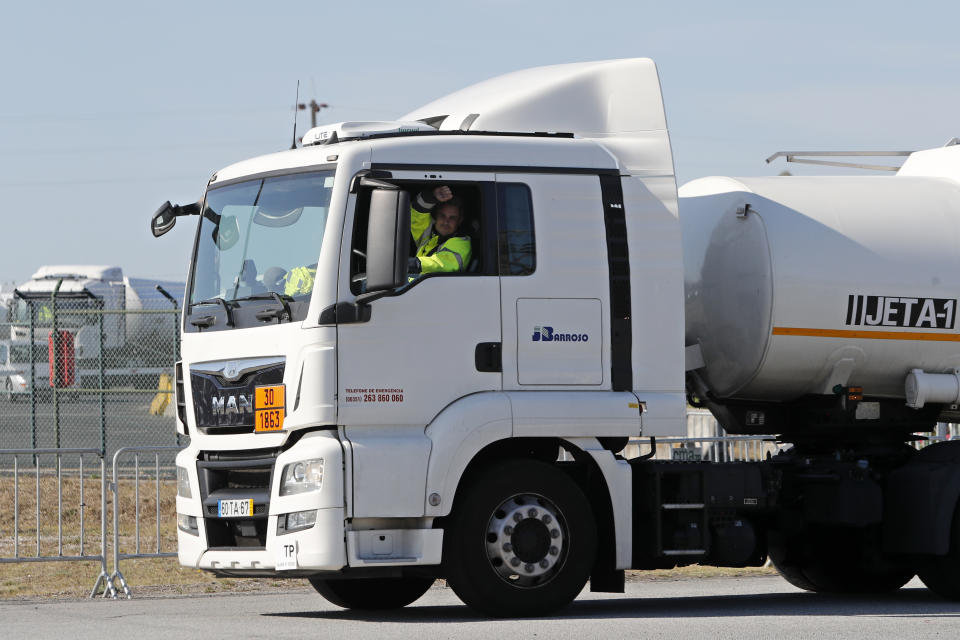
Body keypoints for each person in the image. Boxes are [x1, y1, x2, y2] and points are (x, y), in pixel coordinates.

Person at [408, 185, 472, 275]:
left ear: (459, 221)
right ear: (436, 216)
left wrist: (410, 264)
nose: (446, 221)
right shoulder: (430, 234)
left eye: (452, 218)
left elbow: (441, 263)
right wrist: (431, 197)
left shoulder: (462, 242)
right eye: (443, 215)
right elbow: (416, 215)